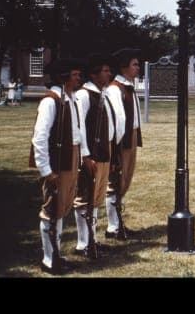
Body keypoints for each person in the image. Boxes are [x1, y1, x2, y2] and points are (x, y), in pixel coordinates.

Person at [30, 56, 89, 274]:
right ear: (63, 77)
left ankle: (57, 253)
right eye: (74, 75)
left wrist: (80, 158)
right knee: (51, 209)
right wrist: (46, 170)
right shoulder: (50, 101)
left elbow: (77, 134)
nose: (78, 79)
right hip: (57, 164)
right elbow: (39, 137)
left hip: (70, 158)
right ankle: (48, 259)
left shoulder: (71, 99)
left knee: (62, 208)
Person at [73, 54, 116, 259]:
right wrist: (85, 155)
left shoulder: (102, 94)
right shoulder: (84, 95)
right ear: (94, 74)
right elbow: (79, 127)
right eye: (105, 70)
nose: (109, 74)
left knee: (96, 198)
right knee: (84, 198)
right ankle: (83, 243)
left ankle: (93, 239)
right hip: (91, 155)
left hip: (103, 153)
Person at [105, 49, 143, 240]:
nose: (138, 67)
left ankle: (119, 223)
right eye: (134, 64)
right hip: (122, 142)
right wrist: (116, 151)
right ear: (124, 66)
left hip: (132, 137)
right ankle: (113, 226)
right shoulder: (115, 89)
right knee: (116, 182)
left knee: (125, 182)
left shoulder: (129, 87)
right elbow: (117, 122)